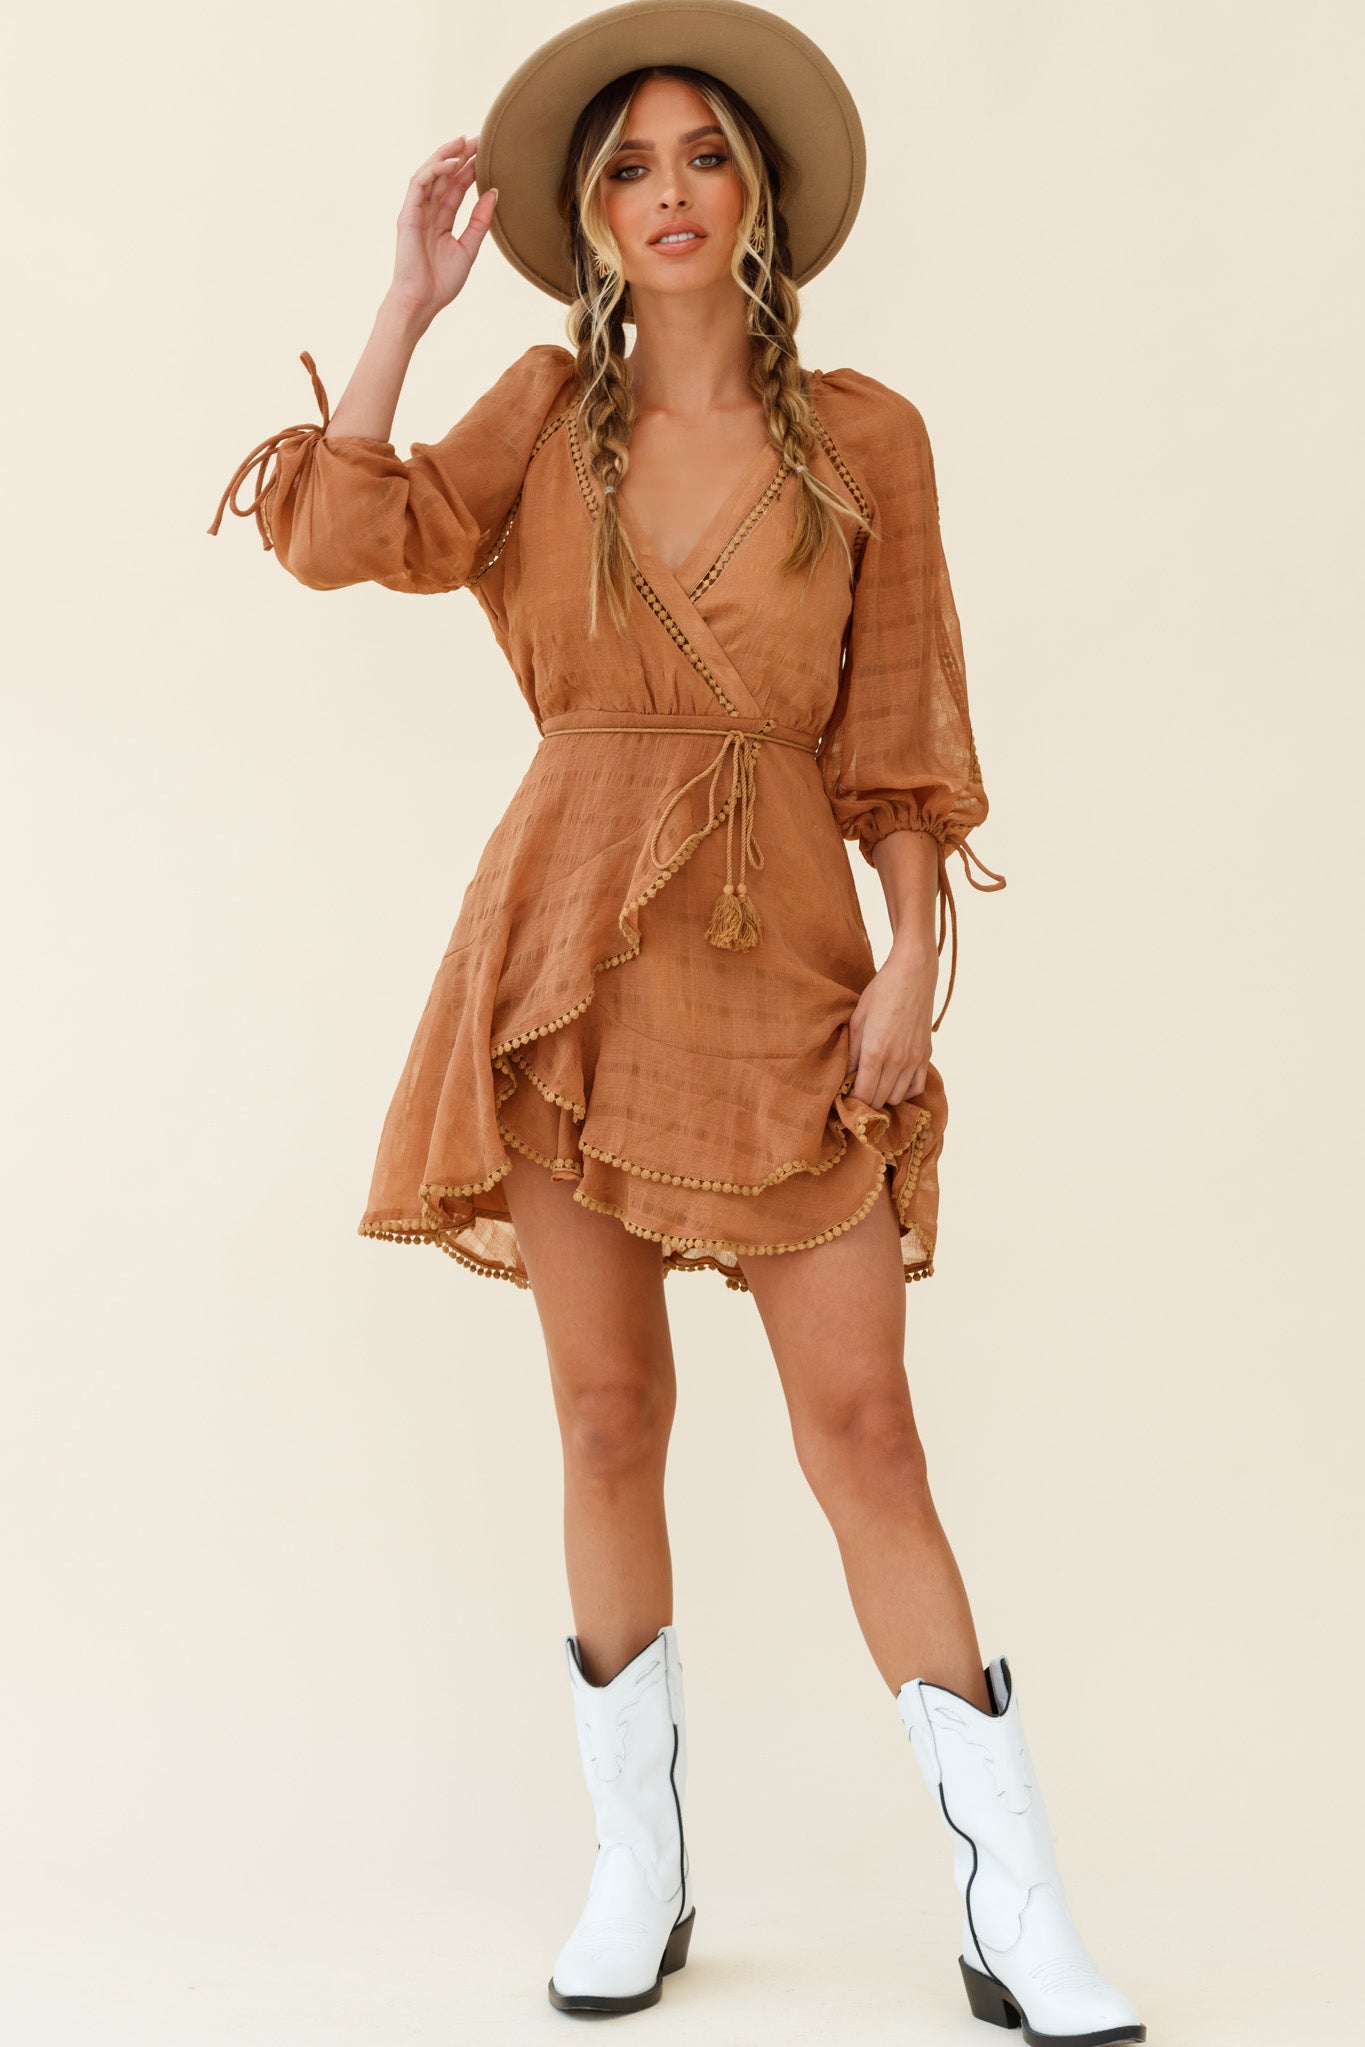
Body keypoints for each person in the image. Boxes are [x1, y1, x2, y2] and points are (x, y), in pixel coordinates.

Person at [208, 4, 1145, 2038]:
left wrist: (909, 961)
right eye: (625, 166)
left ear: (760, 196)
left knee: (863, 1426)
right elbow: (340, 535)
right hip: (566, 949)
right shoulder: (545, 410)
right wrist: (406, 301)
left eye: (701, 155)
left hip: (784, 948)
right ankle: (638, 1867)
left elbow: (900, 735)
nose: (665, 193)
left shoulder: (867, 438)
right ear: (585, 213)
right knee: (606, 1413)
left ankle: (1012, 1902)